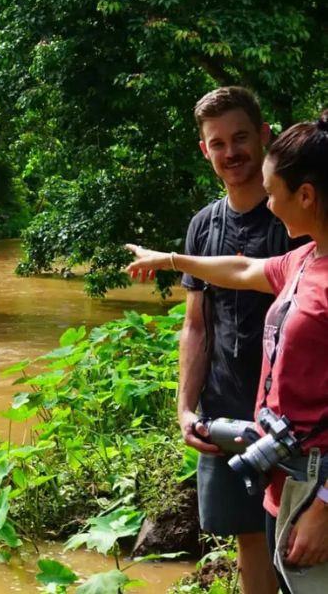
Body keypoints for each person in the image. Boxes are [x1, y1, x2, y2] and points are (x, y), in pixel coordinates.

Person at [126, 109, 328, 592]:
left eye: (273, 193)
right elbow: (240, 270)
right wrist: (169, 259)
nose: (269, 206)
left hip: (318, 482)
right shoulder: (303, 258)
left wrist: (324, 506)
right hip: (287, 472)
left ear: (305, 195)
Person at [175, 87, 301, 594]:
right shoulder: (203, 226)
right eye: (218, 143)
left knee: (295, 539)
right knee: (249, 537)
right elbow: (197, 325)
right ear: (205, 150)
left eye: (241, 137)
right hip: (226, 410)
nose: (232, 152)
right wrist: (185, 408)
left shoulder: (298, 219)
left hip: (294, 420)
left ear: (265, 135)